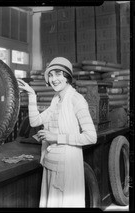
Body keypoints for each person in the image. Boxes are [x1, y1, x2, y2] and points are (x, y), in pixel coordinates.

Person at [18, 57, 97, 207]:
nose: (54, 79)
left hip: (67, 166)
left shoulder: (76, 100)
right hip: (51, 163)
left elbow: (91, 137)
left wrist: (56, 137)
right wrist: (31, 95)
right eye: (51, 75)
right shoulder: (56, 100)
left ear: (67, 76)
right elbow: (35, 121)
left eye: (58, 74)